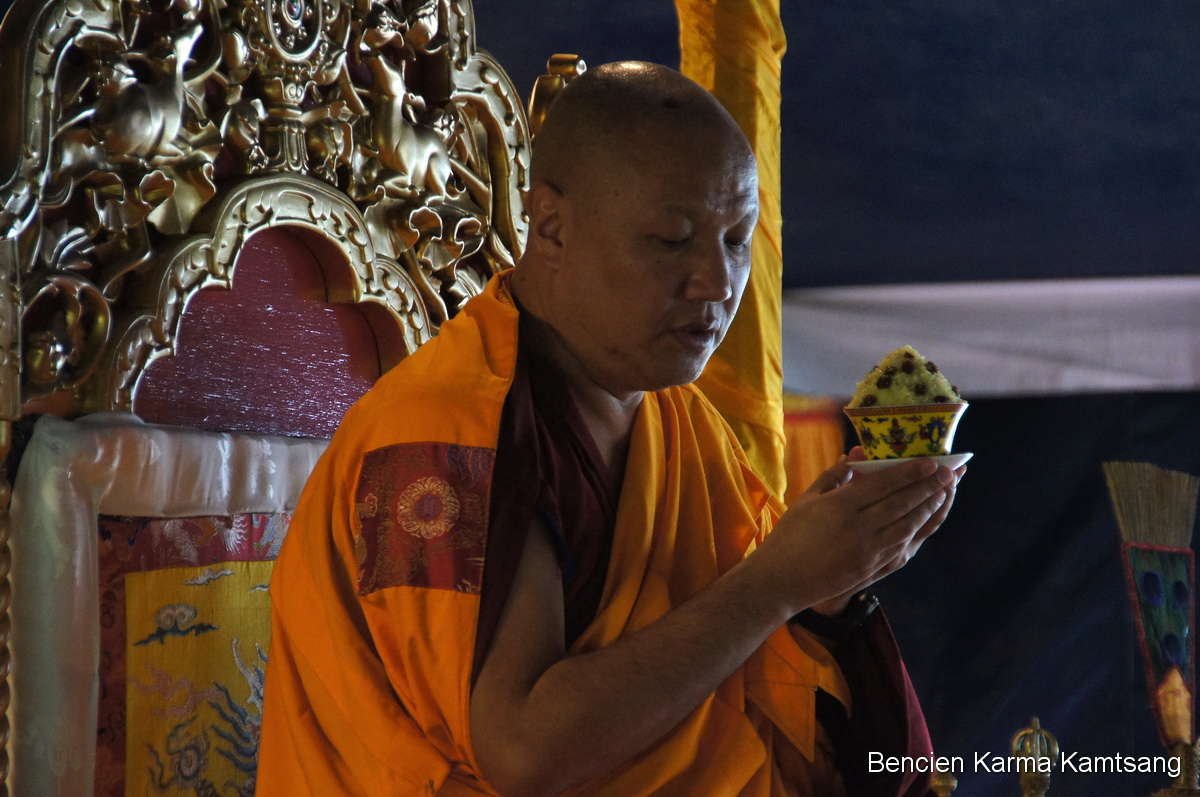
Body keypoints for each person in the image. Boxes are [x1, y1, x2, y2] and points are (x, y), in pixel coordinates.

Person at [257, 61, 963, 796]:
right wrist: (778, 583)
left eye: (734, 240)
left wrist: (834, 586)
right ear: (552, 225)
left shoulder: (676, 419)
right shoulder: (447, 435)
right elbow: (524, 751)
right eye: (672, 240)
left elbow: (747, 676)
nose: (717, 282)